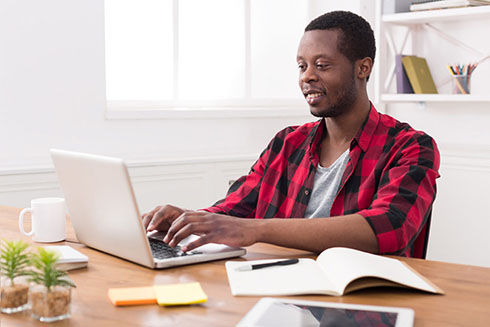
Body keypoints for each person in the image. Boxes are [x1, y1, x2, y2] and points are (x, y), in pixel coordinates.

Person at [142, 11, 440, 258]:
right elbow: (236, 207)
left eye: (321, 65)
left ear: (363, 68)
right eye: (302, 66)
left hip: (367, 298)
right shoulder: (287, 143)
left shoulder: (411, 147)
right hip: (283, 288)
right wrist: (189, 219)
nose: (307, 76)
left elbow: (391, 225)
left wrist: (257, 229)